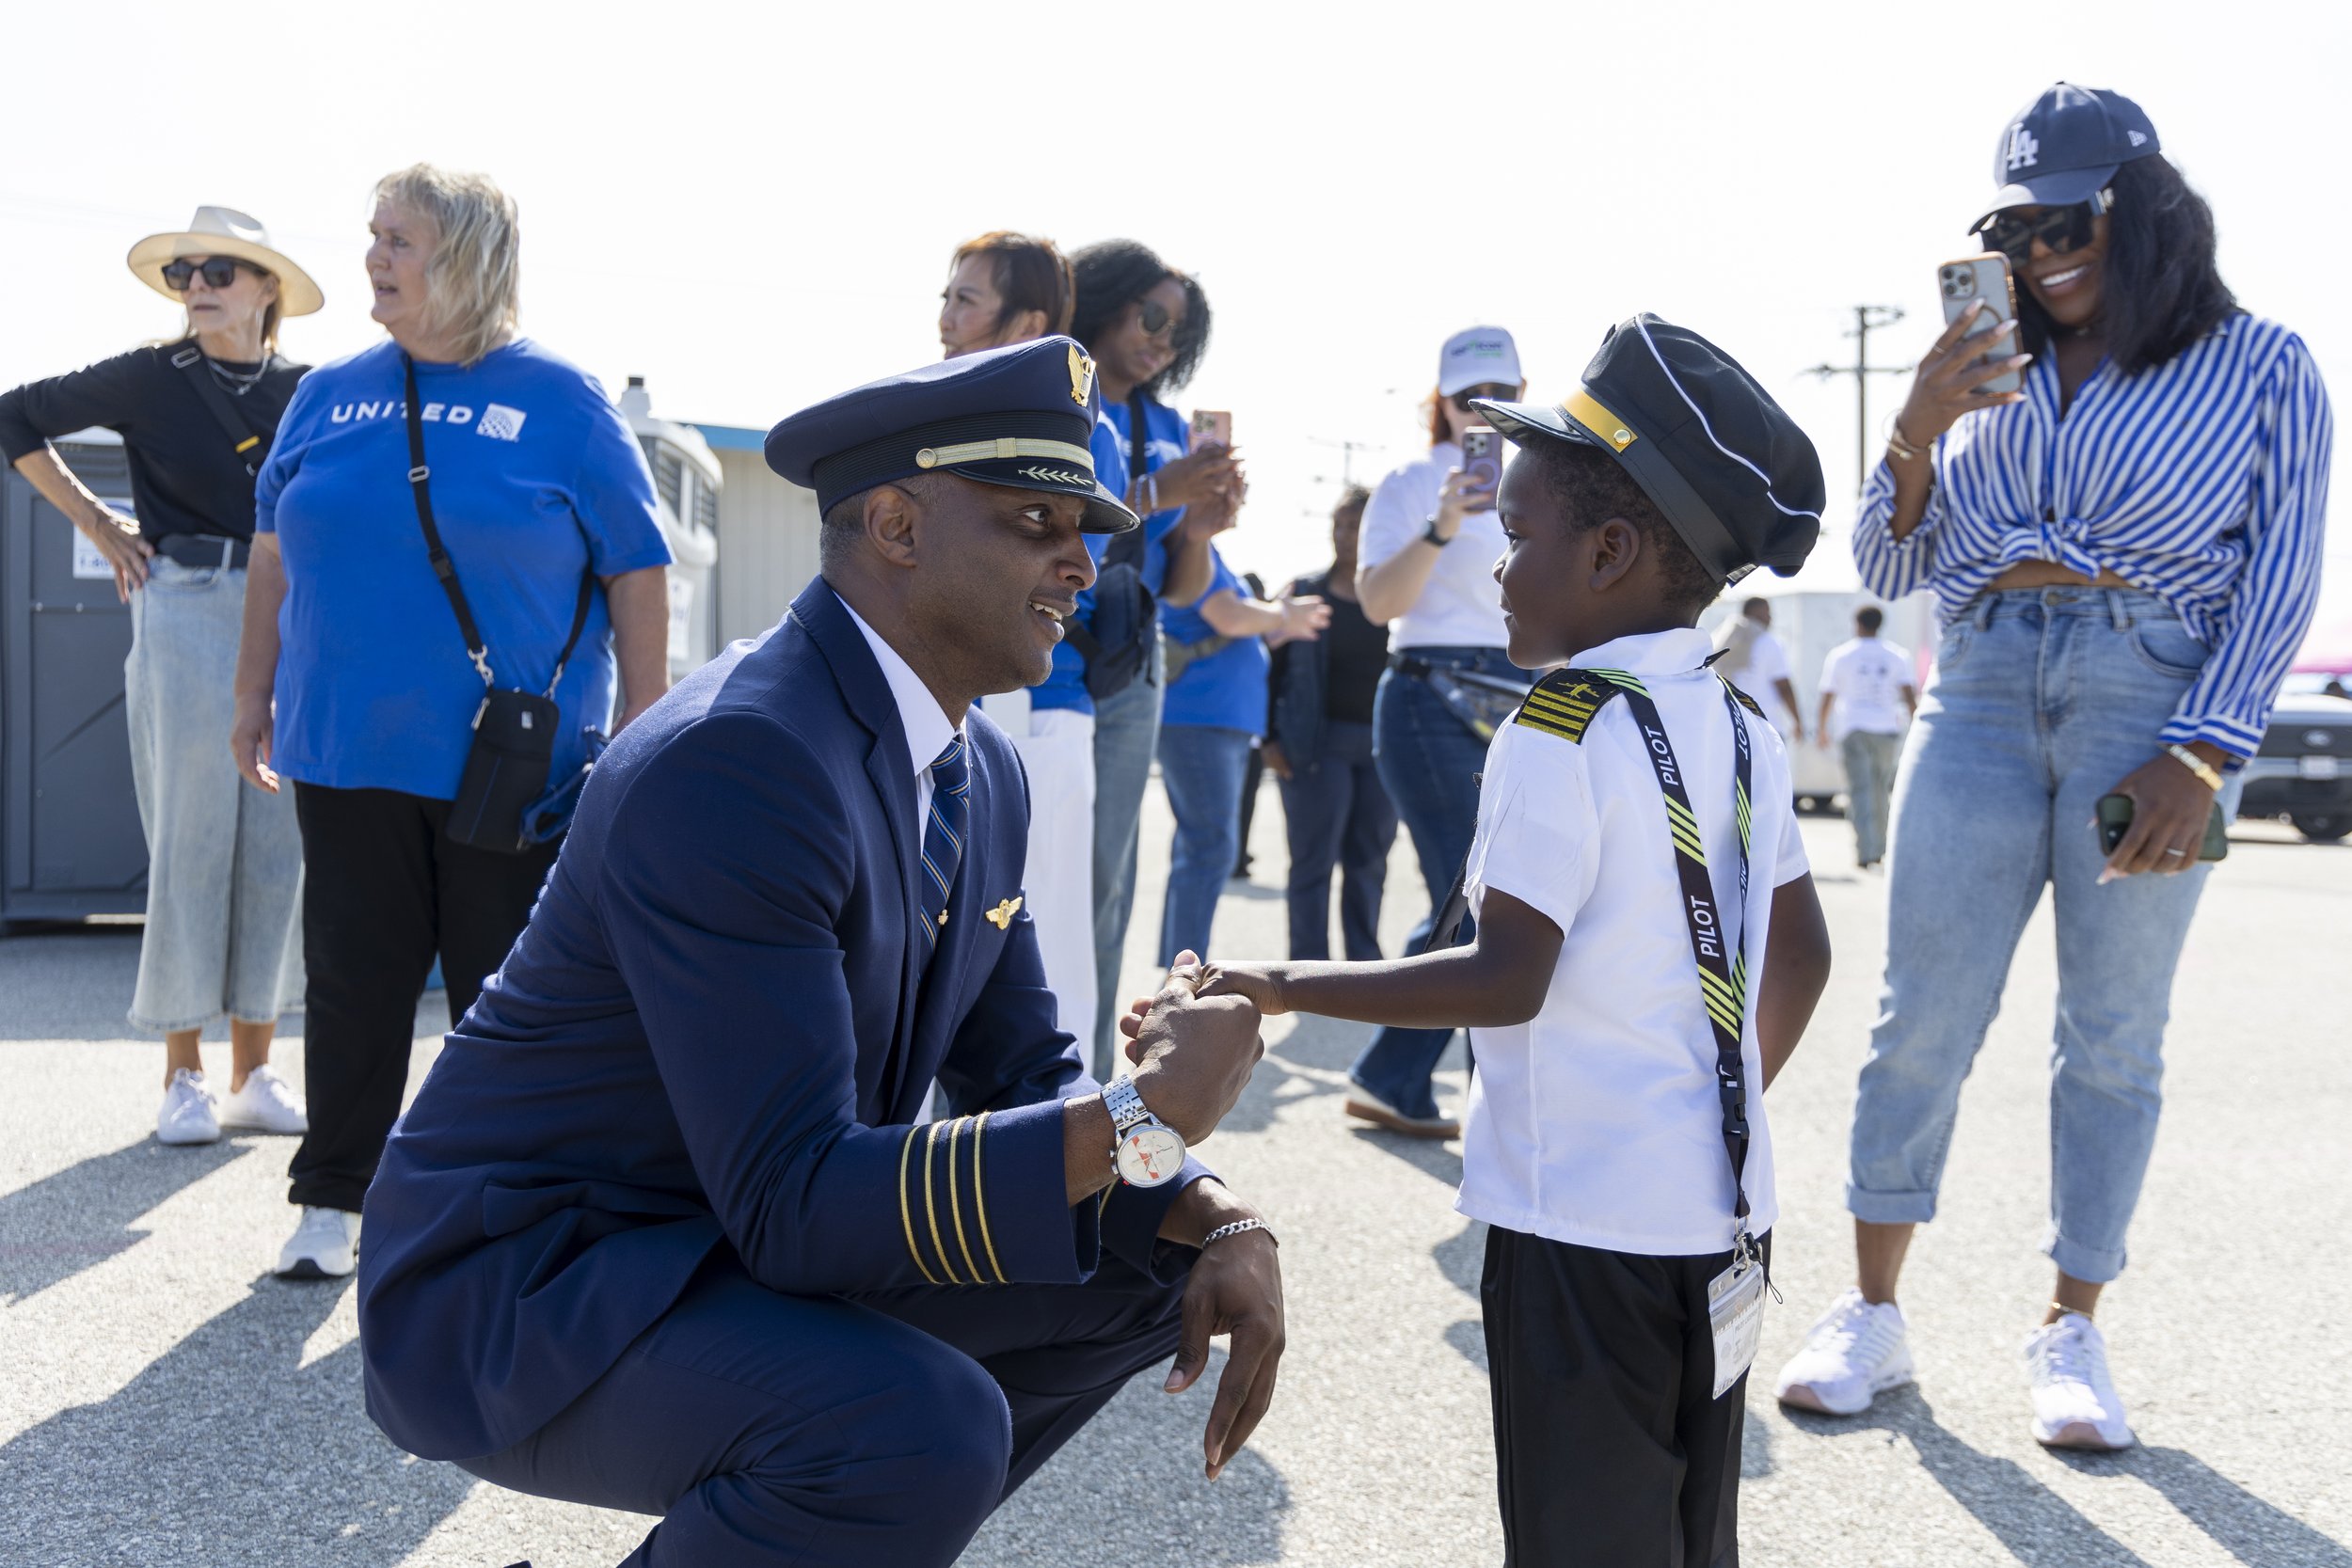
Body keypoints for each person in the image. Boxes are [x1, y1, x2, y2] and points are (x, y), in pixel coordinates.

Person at [356, 338, 1286, 1568]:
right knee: (914, 1428)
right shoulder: (737, 760)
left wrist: (1216, 1210)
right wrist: (1145, 1109)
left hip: (709, 1234)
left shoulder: (980, 768)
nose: (1084, 557)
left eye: (1089, 526)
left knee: (1142, 1262)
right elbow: (797, 1203)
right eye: (1035, 518)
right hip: (531, 1286)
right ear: (896, 524)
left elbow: (1025, 1071)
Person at [1188, 315, 1833, 1568]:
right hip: (1724, 1212)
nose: (1497, 569)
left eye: (1521, 537)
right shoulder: (1738, 716)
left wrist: (1275, 981)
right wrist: (1711, 1093)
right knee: (1692, 1534)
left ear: (1609, 552)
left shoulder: (1559, 724)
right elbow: (1799, 955)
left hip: (1581, 1224)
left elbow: (1502, 975)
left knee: (1581, 1536)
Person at [1773, 84, 2332, 1451]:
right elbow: (1896, 563)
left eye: (2067, 218)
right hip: (1977, 685)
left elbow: (2285, 574)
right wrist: (1915, 418)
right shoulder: (1987, 370)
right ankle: (1874, 1313)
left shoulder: (2266, 364)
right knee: (1921, 1016)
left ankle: (2072, 1322)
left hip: (2154, 704)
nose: (2040, 250)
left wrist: (2206, 749)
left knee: (2113, 1034)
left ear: (2144, 211)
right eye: (2012, 225)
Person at [232, 165, 674, 1280]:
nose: (374, 257)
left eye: (400, 241)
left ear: (467, 258)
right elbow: (272, 553)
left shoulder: (562, 400)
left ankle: (513, 1206)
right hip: (343, 746)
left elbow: (638, 565)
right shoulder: (327, 392)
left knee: (507, 995)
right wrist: (250, 696)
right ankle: (333, 1196)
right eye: (373, 236)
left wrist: (643, 723)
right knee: (353, 980)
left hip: (511, 764)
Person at [0, 206, 321, 1147]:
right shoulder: (149, 375)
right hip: (183, 599)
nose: (198, 286)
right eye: (185, 272)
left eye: (220, 270)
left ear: (267, 288)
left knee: (276, 836)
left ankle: (254, 1070)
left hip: (291, 614)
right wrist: (98, 523)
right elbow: (14, 416)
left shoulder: (312, 389)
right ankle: (182, 1076)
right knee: (189, 831)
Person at [1344, 325, 1531, 1137]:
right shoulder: (1412, 481)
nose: (1485, 411)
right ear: (1440, 401)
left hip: (1529, 695)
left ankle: (1399, 1075)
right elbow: (1378, 603)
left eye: (1505, 395)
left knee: (1505, 897)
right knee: (1476, 895)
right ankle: (1473, 1100)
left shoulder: (1554, 482)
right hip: (1427, 693)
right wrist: (1443, 525)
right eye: (1468, 398)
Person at [934, 230, 1112, 1040]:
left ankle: (1060, 1142)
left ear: (1024, 320)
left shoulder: (1077, 428)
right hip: (943, 705)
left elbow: (1062, 572)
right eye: (948, 295)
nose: (945, 316)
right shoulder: (928, 411)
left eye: (966, 299)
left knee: (1039, 952)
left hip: (1034, 711)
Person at [1071, 240, 1236, 1071]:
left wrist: (1200, 526)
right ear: (1104, 298)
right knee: (1033, 864)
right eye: (1154, 318)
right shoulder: (1056, 388)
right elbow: (1062, 524)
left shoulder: (1170, 425)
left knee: (1108, 877)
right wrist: (1160, 496)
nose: (1163, 344)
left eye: (1180, 335)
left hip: (1137, 659)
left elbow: (1180, 586)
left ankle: (1089, 1077)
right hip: (1051, 649)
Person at [1155, 546, 1327, 967]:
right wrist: (1281, 613)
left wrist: (1276, 623)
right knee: (1209, 845)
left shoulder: (1208, 554)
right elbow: (1229, 617)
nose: (1237, 487)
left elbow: (1232, 625)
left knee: (1202, 844)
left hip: (1212, 720)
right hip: (1201, 719)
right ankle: (1184, 975)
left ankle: (1179, 965)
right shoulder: (1195, 548)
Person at [1265, 486, 1399, 960]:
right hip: (1314, 745)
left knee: (1369, 861)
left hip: (1381, 747)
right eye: (1341, 524)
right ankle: (1307, 968)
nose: (1347, 535)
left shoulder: (1393, 598)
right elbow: (1271, 668)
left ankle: (1364, 965)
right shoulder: (1306, 593)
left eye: (1359, 525)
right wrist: (1268, 739)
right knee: (1312, 861)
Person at [1815, 606, 1915, 868]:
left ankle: (1865, 851)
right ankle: (1881, 848)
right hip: (1886, 729)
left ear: (1856, 623)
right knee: (1881, 789)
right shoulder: (1896, 655)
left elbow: (1828, 694)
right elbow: (1908, 694)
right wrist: (1915, 724)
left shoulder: (1842, 654)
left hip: (1854, 728)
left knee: (1860, 790)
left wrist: (1822, 728)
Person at [1713, 596, 1805, 743]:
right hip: (1766, 726)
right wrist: (1798, 721)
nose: (1770, 618)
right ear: (1757, 613)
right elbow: (1784, 686)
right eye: (1767, 613)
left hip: (1734, 728)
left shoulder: (1725, 639)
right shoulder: (1768, 642)